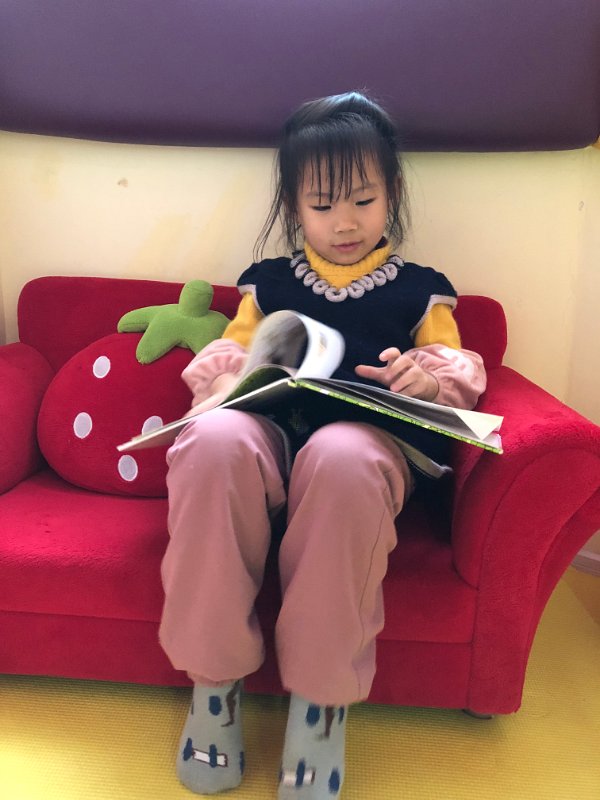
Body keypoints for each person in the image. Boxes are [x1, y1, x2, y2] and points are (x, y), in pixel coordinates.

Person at [159, 91, 486, 798]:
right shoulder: (268, 283)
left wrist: (426, 381)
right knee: (213, 440)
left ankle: (319, 707)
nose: (344, 222)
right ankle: (214, 688)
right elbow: (230, 355)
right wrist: (226, 384)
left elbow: (458, 373)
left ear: (391, 194)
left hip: (361, 451)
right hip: (267, 438)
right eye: (323, 204)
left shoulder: (422, 291)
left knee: (343, 458)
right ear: (293, 206)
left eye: (364, 200)